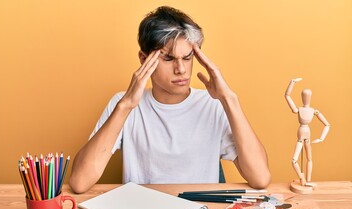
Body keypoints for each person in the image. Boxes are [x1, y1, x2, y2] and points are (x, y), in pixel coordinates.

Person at [69, 6, 271, 193]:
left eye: (187, 57)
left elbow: (260, 178)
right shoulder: (123, 104)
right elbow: (79, 182)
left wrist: (229, 99)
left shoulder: (213, 105)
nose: (181, 69)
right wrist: (126, 106)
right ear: (143, 58)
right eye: (168, 58)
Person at [285, 78, 330, 187]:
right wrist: (321, 138)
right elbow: (327, 125)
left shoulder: (305, 110)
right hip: (304, 136)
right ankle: (303, 179)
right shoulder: (308, 110)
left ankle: (307, 180)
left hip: (305, 136)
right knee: (299, 160)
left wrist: (292, 82)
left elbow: (287, 96)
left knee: (306, 159)